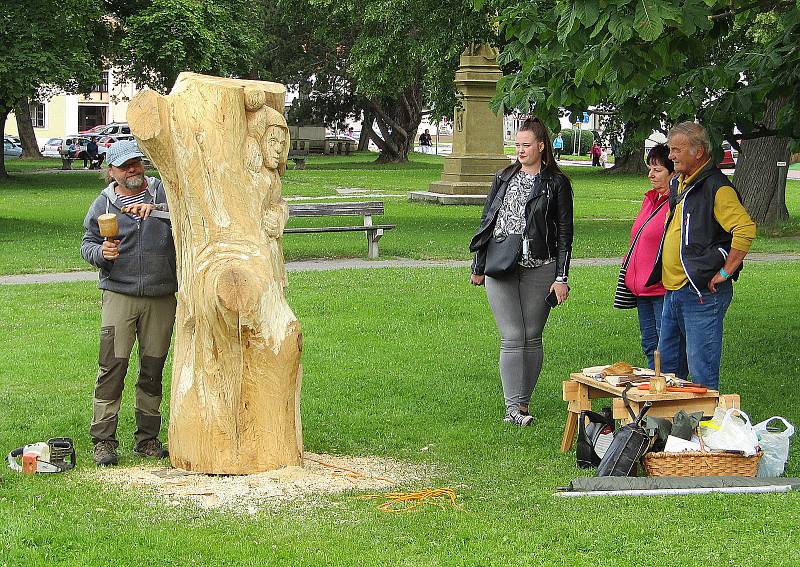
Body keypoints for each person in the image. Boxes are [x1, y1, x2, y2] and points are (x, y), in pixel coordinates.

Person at [469, 117, 573, 426]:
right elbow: (488, 220)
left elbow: (565, 234)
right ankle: (512, 408)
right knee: (512, 336)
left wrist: (561, 278)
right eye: (517, 145)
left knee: (531, 335)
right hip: (500, 265)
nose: (521, 150)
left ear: (542, 146)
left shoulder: (556, 183)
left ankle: (523, 404)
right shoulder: (503, 176)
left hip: (541, 267)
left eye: (526, 145)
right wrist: (478, 264)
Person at [81, 139, 177, 466]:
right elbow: (88, 243)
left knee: (152, 369)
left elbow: (191, 218)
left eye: (136, 162)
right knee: (112, 367)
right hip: (119, 294)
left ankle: (147, 439)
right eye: (125, 166)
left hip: (160, 295)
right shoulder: (103, 205)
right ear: (112, 172)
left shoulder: (163, 192)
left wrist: (160, 213)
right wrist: (100, 254)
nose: (133, 169)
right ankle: (104, 441)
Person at [647, 122, 756, 389]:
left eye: (676, 150)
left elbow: (745, 229)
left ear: (698, 152)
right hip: (673, 291)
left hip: (701, 294)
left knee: (702, 376)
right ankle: (672, 429)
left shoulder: (717, 187)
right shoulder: (681, 183)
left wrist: (725, 272)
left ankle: (706, 426)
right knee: (668, 372)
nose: (671, 156)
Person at [623, 144, 687, 374]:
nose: (651, 174)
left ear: (673, 173)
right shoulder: (650, 199)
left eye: (657, 170)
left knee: (669, 350)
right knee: (651, 347)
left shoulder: (678, 203)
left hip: (663, 290)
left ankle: (674, 397)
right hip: (643, 291)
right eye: (650, 168)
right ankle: (656, 395)